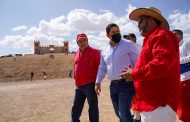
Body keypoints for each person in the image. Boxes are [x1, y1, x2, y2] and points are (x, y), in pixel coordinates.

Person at [120, 7, 180, 122]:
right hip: (152, 104)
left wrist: (134, 73)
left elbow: (161, 65)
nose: (138, 25)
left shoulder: (161, 35)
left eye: (140, 21)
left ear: (151, 20)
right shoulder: (153, 38)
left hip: (158, 104)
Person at [95, 23, 139, 122]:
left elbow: (138, 62)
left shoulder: (128, 44)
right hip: (113, 86)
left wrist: (134, 73)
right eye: (113, 32)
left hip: (127, 84)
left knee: (123, 113)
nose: (117, 33)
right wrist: (98, 82)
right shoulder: (105, 49)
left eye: (118, 31)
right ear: (108, 35)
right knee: (119, 113)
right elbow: (102, 67)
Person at [71, 33, 100, 122]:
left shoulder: (95, 52)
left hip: (90, 85)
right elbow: (75, 66)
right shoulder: (76, 54)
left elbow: (100, 68)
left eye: (84, 40)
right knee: (75, 109)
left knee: (93, 109)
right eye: (80, 41)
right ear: (77, 43)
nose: (82, 43)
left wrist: (98, 83)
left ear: (87, 41)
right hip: (79, 86)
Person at [173, 29, 190, 122]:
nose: (173, 36)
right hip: (178, 78)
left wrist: (178, 61)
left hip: (187, 76)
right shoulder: (174, 47)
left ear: (180, 35)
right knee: (180, 100)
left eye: (174, 34)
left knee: (185, 101)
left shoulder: (186, 44)